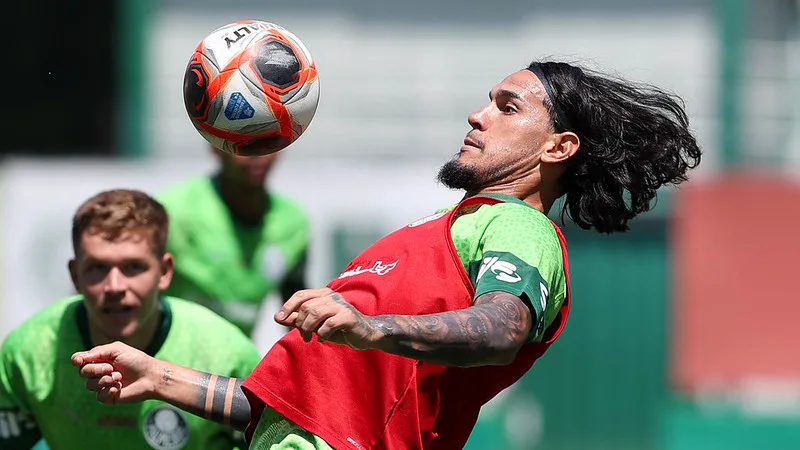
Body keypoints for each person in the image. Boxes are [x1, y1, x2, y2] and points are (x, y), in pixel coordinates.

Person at [72, 60, 702, 449]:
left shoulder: (518, 228)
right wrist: (159, 378)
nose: (477, 115)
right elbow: (281, 405)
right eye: (487, 99)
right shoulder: (432, 234)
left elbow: (502, 327)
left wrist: (368, 326)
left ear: (559, 148)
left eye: (507, 107)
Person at [0, 189, 261, 450]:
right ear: (75, 275)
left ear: (165, 272)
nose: (114, 286)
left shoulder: (228, 356)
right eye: (98, 268)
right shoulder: (26, 355)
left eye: (133, 267)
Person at [158, 146, 310, 337]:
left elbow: (296, 310)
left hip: (237, 361)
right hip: (170, 358)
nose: (257, 155)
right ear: (215, 147)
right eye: (243, 145)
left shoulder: (292, 222)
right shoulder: (176, 211)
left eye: (268, 142)